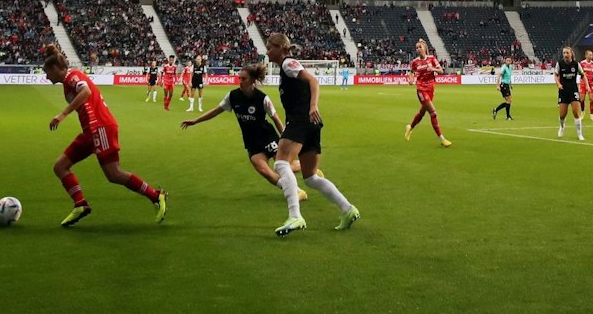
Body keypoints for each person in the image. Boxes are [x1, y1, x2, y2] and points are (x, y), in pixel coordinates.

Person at [41, 45, 167, 227]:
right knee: (60, 166)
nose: (46, 77)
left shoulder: (71, 76)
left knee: (114, 174)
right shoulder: (67, 82)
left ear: (54, 69)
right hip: (90, 132)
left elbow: (86, 92)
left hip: (101, 127)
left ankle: (156, 195)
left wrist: (62, 115)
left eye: (47, 73)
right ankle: (80, 205)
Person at [265, 32, 358, 236]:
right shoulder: (285, 68)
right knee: (310, 177)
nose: (267, 51)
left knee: (281, 163)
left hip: (301, 120)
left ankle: (295, 216)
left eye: (270, 47)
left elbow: (313, 81)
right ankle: (347, 209)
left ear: (280, 48)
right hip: (311, 124)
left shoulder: (288, 64)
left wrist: (313, 105)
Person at [181, 63, 303, 201]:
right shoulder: (233, 96)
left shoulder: (262, 98)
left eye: (243, 79)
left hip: (267, 136)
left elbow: (275, 118)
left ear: (252, 80)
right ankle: (293, 190)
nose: (240, 82)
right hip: (251, 141)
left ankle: (308, 169)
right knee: (264, 170)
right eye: (239, 78)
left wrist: (285, 138)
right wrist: (195, 121)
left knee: (281, 167)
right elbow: (215, 111)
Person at [404, 40, 451, 147]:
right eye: (416, 48)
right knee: (433, 113)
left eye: (419, 47)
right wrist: (411, 79)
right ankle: (442, 139)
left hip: (431, 89)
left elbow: (441, 71)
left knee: (422, 113)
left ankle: (410, 127)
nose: (418, 49)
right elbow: (411, 72)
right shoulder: (415, 62)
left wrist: (432, 68)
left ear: (424, 48)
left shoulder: (432, 59)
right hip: (421, 89)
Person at [556, 46, 584, 140]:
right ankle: (562, 127)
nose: (565, 55)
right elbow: (556, 76)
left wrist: (586, 86)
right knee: (562, 115)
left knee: (576, 112)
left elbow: (583, 75)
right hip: (563, 91)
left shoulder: (576, 64)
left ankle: (579, 134)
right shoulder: (559, 64)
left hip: (573, 90)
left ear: (571, 53)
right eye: (564, 53)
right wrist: (558, 84)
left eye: (567, 53)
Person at [579, 50, 593, 121]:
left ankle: (591, 115)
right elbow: (579, 72)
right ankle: (582, 112)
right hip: (583, 83)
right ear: (586, 55)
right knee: (581, 99)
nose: (591, 56)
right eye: (590, 55)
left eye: (592, 55)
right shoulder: (582, 63)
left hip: (591, 84)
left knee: (591, 99)